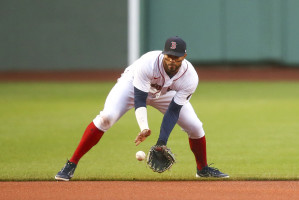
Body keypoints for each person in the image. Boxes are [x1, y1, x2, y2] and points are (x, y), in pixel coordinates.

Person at [55, 36, 229, 181]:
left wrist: (162, 142)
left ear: (184, 56)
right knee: (106, 117)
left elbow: (174, 111)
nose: (171, 61)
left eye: (176, 57)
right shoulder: (148, 63)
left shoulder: (190, 77)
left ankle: (202, 169)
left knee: (196, 126)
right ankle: (71, 163)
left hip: (165, 93)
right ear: (163, 54)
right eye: (168, 56)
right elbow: (140, 99)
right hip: (132, 86)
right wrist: (144, 127)